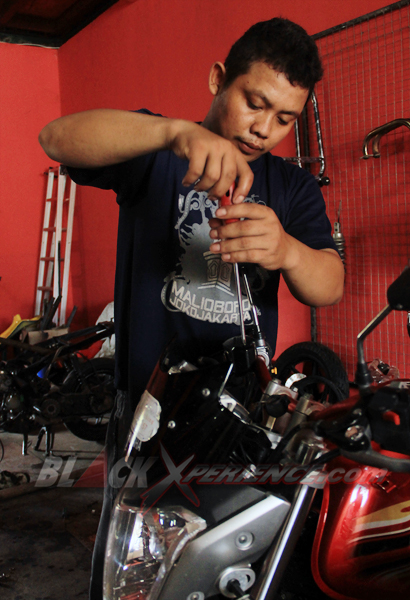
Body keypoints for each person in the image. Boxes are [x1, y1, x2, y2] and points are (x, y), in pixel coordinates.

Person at [39, 17, 344, 599]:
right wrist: (171, 133)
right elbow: (56, 137)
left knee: (228, 571)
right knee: (133, 573)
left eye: (285, 118)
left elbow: (328, 284)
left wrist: (286, 250)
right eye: (255, 103)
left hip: (238, 423)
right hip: (147, 414)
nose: (264, 129)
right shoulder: (157, 152)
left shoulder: (292, 188)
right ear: (217, 79)